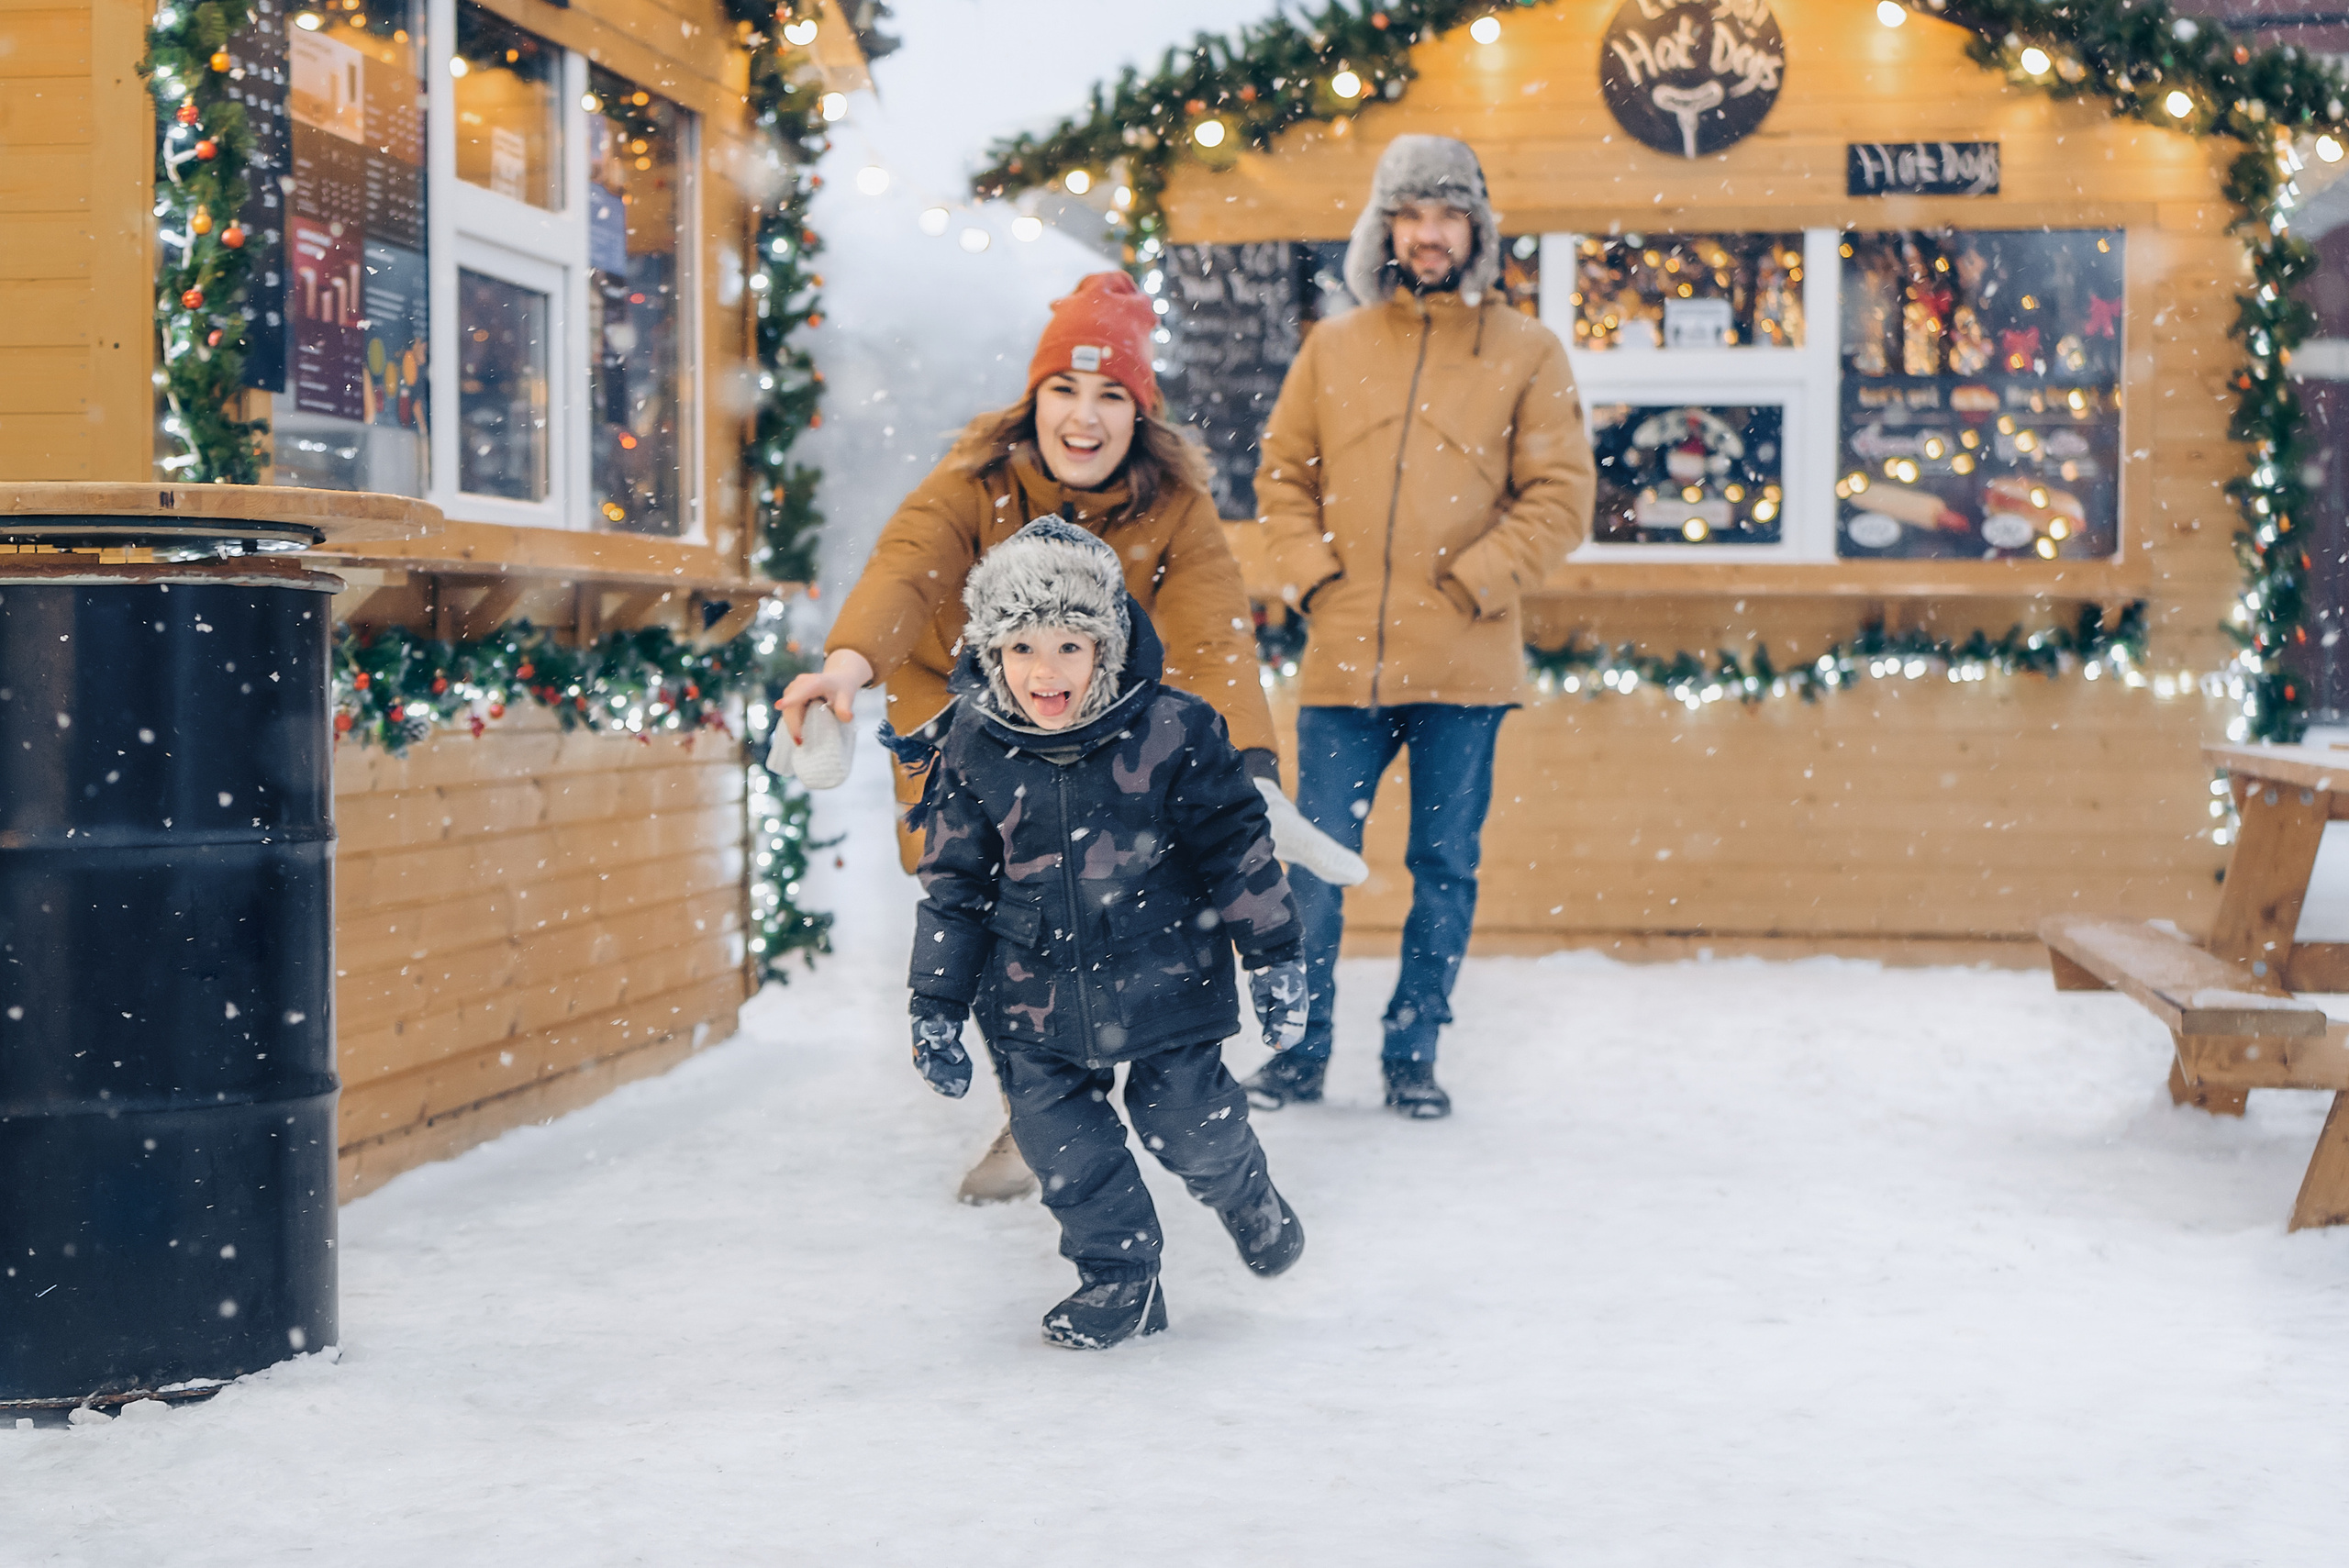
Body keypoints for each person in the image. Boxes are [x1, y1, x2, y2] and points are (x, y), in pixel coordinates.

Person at [778, 272, 1281, 1204]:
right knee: (978, 894)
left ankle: (1083, 1080)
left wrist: (1246, 767)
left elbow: (1213, 641)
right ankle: (1038, 1092)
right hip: (954, 699)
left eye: (1108, 395)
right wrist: (848, 665)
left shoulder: (1173, 506)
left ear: (1139, 413)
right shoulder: (974, 484)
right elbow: (905, 572)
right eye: (1064, 389)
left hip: (1096, 712)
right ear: (1034, 398)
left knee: (1094, 889)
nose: (1082, 417)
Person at [1243, 134, 1597, 1120]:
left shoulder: (1526, 352)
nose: (1429, 233)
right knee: (1314, 865)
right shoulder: (1333, 347)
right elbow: (1280, 479)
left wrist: (1474, 580)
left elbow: (1560, 496)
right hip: (1342, 661)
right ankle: (1297, 1051)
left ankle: (1412, 1055)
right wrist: (1312, 581)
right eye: (1411, 214)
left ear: (1474, 230)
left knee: (1443, 868)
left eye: (1447, 214)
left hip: (1465, 662)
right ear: (1385, 227)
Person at [905, 518, 1309, 1350]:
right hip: (1032, 986)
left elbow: (1237, 848)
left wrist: (1273, 957)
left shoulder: (1175, 730)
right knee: (1062, 1143)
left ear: (1108, 645)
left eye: (1067, 643)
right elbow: (953, 883)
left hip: (1166, 970)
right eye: (1019, 647)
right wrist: (935, 1000)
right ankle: (1121, 1278)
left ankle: (1245, 1194)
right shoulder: (974, 743)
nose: (1042, 670)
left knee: (1187, 1122)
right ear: (991, 652)